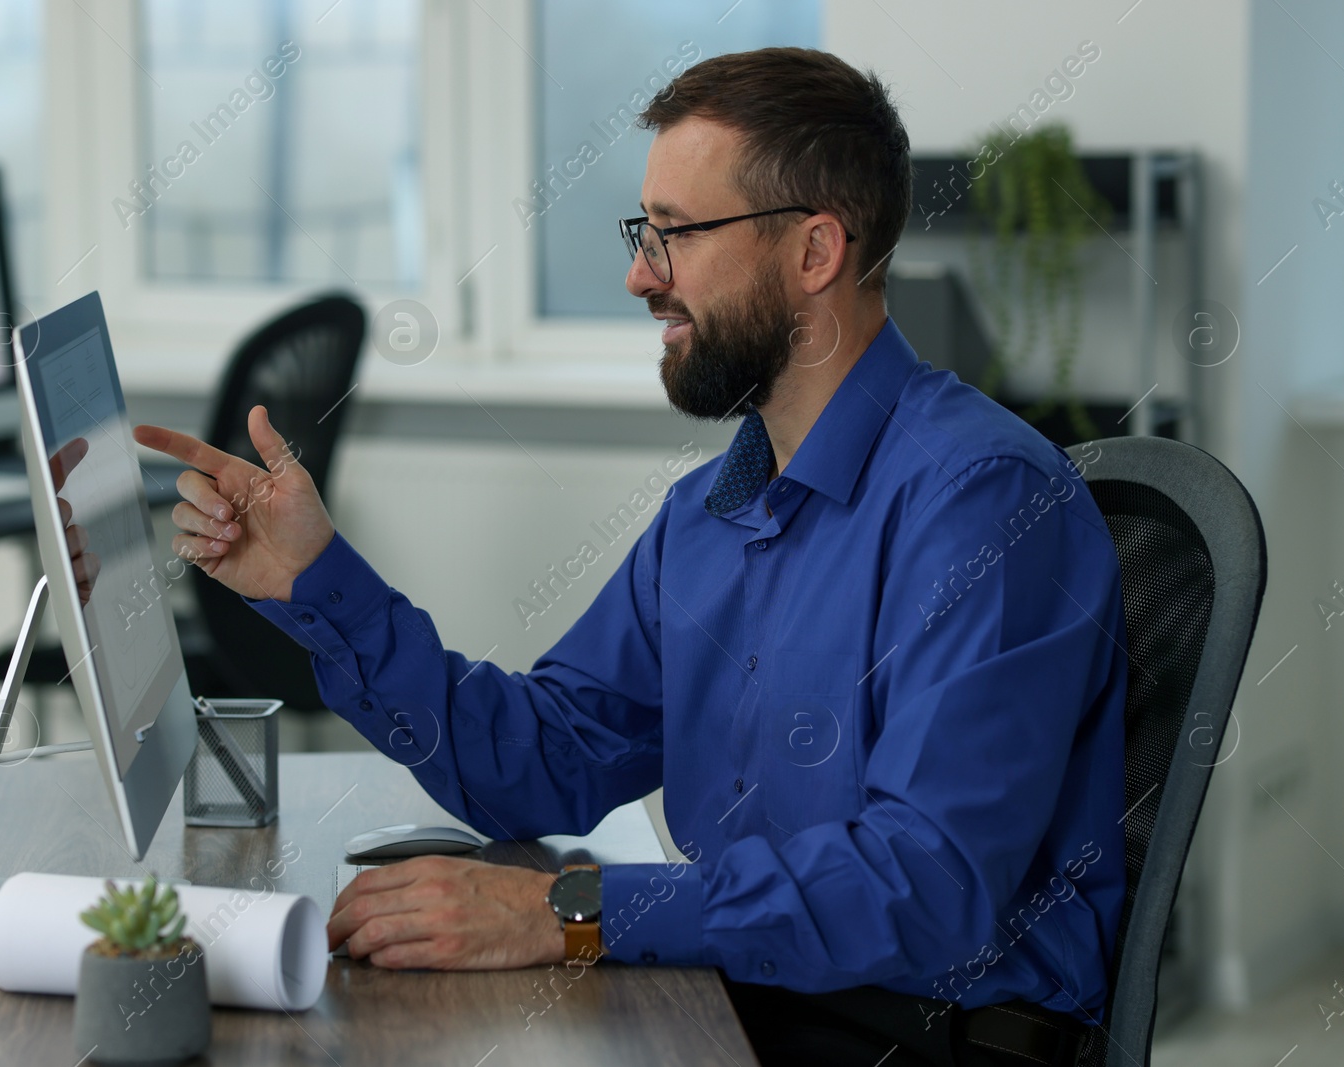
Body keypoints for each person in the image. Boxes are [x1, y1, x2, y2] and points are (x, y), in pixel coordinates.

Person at [133, 47, 1126, 1067]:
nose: (639, 273)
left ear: (815, 251)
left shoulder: (985, 500)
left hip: (927, 1036)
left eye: (676, 234)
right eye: (640, 231)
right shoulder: (705, 514)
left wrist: (566, 908)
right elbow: (544, 760)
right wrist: (314, 577)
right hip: (754, 995)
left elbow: (927, 888)